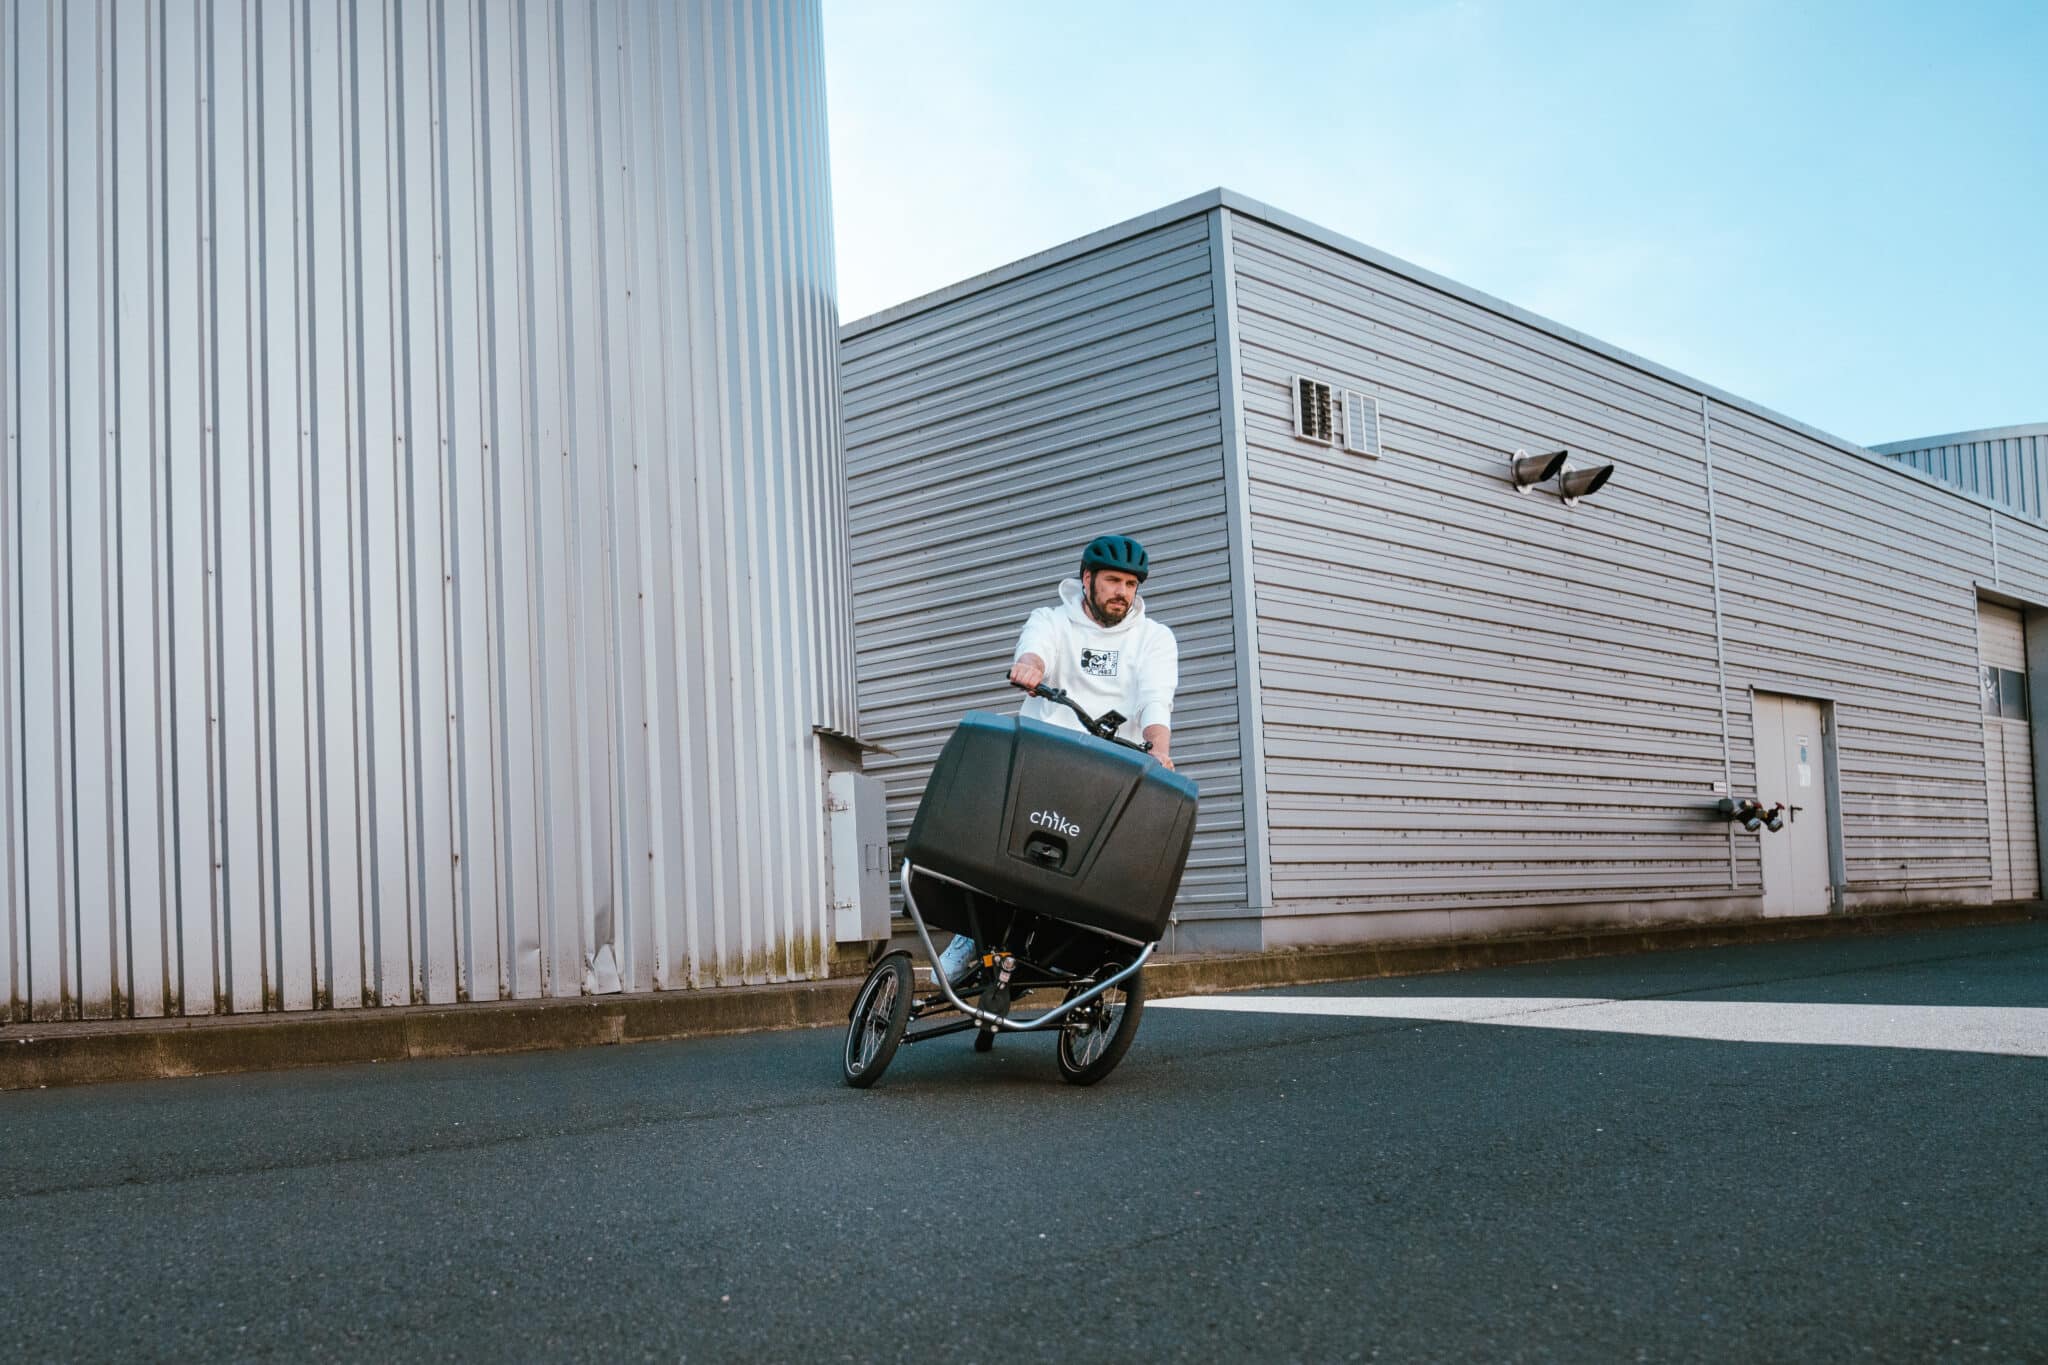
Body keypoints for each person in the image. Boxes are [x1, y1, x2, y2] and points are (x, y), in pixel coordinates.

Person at [937, 533, 1181, 986]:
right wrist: (1030, 667)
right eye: (1112, 581)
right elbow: (1036, 648)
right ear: (1087, 579)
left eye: (1130, 584)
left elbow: (1155, 700)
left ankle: (1079, 958)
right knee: (1008, 853)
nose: (1121, 593)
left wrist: (1159, 749)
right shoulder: (1052, 619)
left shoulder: (1155, 639)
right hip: (1045, 759)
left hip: (1113, 772)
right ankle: (969, 939)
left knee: (1098, 868)